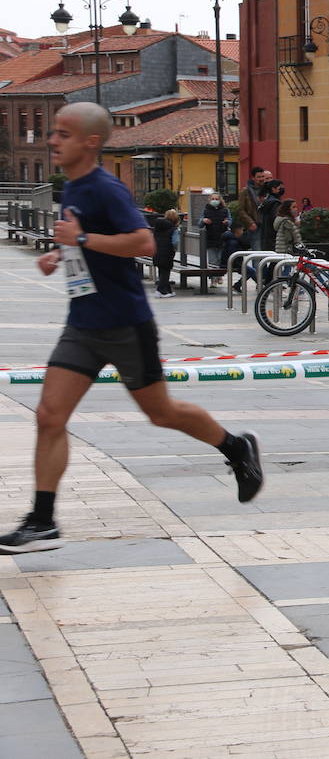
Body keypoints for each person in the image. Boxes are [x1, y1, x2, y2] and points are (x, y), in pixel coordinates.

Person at [0, 103, 262, 554]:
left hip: (125, 324)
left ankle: (236, 447)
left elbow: (141, 242)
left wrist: (80, 239)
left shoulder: (106, 188)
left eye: (63, 134)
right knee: (49, 416)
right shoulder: (73, 187)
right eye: (54, 133)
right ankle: (42, 521)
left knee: (161, 413)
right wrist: (60, 254)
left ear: (90, 142)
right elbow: (84, 247)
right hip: (83, 323)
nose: (52, 140)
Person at [152, 208, 179, 299]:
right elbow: (175, 242)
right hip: (167, 252)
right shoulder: (173, 229)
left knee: (162, 271)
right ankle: (160, 291)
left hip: (157, 251)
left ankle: (168, 290)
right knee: (165, 273)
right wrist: (175, 249)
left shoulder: (158, 227)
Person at [238, 167, 266, 249]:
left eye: (262, 176)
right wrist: (250, 223)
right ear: (253, 178)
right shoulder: (245, 191)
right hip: (254, 225)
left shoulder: (267, 190)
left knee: (267, 252)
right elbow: (241, 209)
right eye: (259, 177)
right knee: (257, 250)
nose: (261, 179)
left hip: (267, 225)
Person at [201, 192, 229, 269]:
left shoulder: (225, 210)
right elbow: (200, 224)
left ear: (220, 200)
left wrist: (227, 222)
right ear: (209, 200)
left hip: (222, 239)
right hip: (210, 238)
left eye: (216, 199)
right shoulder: (206, 210)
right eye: (213, 199)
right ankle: (213, 278)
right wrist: (204, 220)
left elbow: (230, 221)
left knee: (221, 259)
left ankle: (219, 276)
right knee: (212, 261)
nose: (214, 201)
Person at [257, 180, 285, 254]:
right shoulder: (276, 203)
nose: (282, 189)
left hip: (265, 234)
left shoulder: (267, 201)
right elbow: (276, 219)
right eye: (280, 187)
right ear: (273, 189)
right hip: (274, 235)